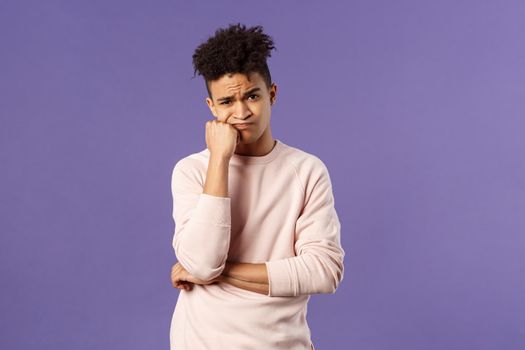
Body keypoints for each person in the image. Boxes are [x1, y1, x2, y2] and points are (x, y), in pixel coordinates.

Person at [169, 22, 345, 350]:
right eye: (226, 103)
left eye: (252, 96)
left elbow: (323, 271)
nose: (241, 112)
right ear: (211, 108)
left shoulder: (306, 171)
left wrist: (216, 274)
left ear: (272, 94)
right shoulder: (192, 171)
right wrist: (219, 160)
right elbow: (204, 261)